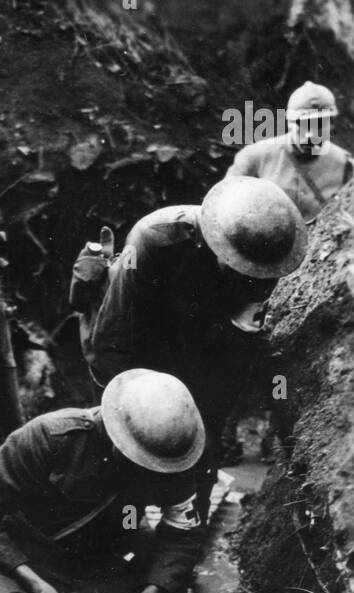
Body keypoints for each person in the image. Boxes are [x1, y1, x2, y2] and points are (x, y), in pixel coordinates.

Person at [0, 368, 217, 593]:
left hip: (114, 567)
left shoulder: (168, 457)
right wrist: (32, 581)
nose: (151, 473)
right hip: (32, 563)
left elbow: (184, 530)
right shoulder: (49, 438)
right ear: (117, 439)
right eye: (142, 462)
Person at [85, 177, 307, 515]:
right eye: (236, 266)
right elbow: (113, 339)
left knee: (202, 440)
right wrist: (119, 409)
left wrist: (209, 424)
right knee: (129, 438)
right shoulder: (155, 239)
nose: (246, 276)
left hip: (203, 338)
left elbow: (235, 353)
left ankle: (191, 518)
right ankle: (119, 525)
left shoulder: (264, 254)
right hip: (144, 333)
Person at [226, 82, 354, 224]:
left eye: (319, 125)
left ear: (331, 125)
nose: (309, 134)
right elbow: (225, 205)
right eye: (302, 124)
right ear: (289, 122)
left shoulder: (344, 164)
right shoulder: (255, 157)